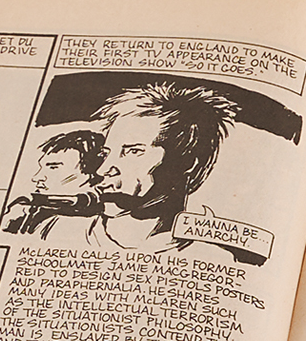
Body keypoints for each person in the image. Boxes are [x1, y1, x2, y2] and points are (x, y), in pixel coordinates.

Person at [38, 81, 240, 260]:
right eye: (105, 154)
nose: (103, 170)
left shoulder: (214, 257)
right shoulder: (55, 232)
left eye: (133, 151)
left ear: (187, 163)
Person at [3, 129, 106, 234]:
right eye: (41, 167)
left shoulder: (93, 226)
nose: (37, 177)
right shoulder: (30, 210)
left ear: (89, 169)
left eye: (53, 167)